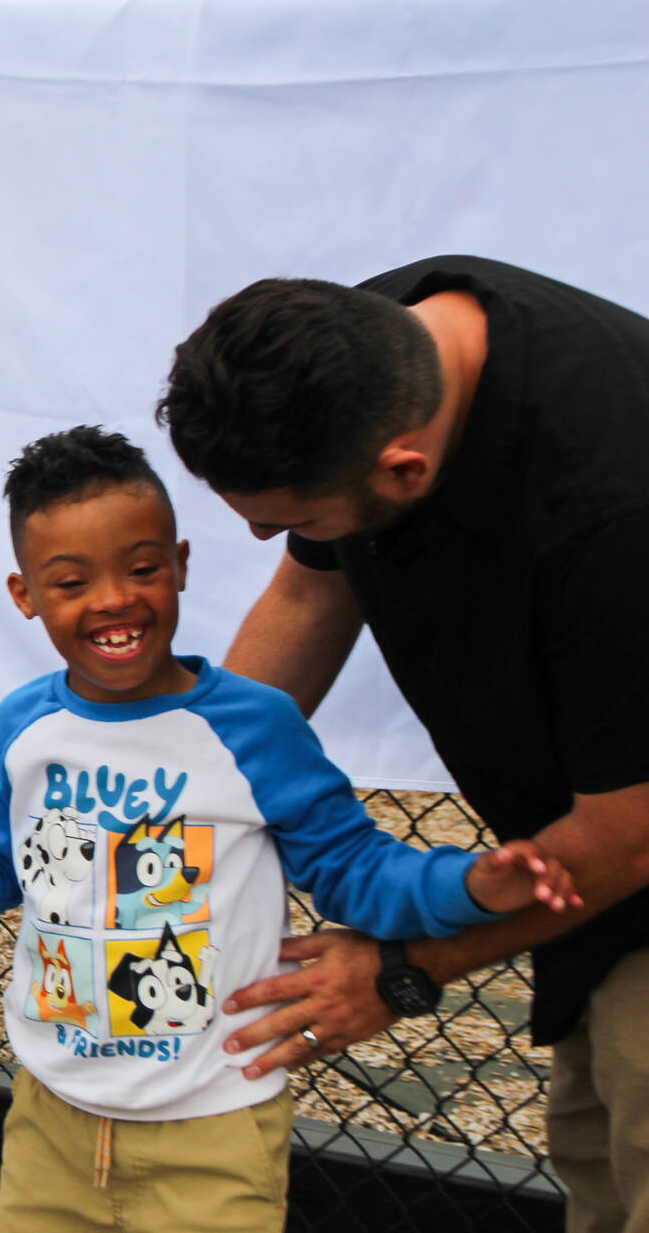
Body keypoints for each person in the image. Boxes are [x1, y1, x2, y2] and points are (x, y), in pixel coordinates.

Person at [0, 426, 577, 1232]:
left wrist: (470, 885)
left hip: (214, 1131)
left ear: (180, 563)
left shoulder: (257, 727)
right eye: (72, 581)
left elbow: (356, 867)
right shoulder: (24, 726)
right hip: (50, 1119)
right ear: (25, 593)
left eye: (141, 569)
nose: (113, 598)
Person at [157, 256, 649, 1233]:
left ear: (402, 469)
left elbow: (626, 834)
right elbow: (307, 590)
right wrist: (175, 795)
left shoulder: (609, 513)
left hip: (626, 832)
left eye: (283, 517)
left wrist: (398, 966)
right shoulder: (367, 348)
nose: (261, 538)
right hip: (596, 832)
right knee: (597, 1153)